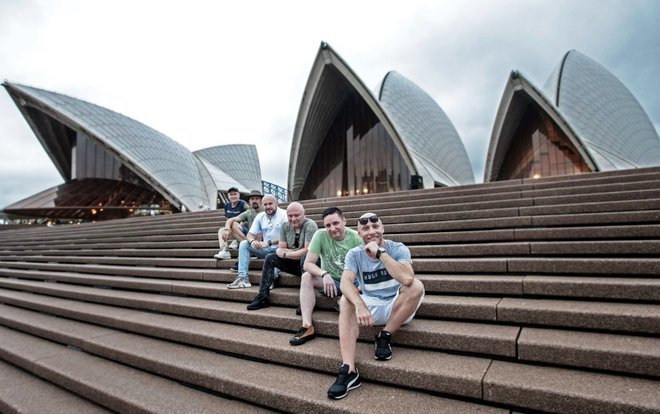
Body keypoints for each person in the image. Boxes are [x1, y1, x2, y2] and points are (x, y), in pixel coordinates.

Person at [327, 212, 425, 400]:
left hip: (398, 308)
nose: (371, 231)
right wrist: (359, 304)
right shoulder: (354, 254)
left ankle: (385, 335)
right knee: (346, 299)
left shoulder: (398, 248)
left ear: (382, 228)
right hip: (372, 306)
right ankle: (349, 370)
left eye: (375, 227)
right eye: (365, 228)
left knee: (416, 286)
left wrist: (380, 253)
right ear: (358, 233)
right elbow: (346, 283)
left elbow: (407, 278)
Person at [289, 207, 363, 346]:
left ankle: (344, 300)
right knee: (306, 277)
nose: (332, 228)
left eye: (336, 223)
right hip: (332, 281)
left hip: (353, 283)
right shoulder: (320, 235)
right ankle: (307, 326)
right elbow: (308, 264)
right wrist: (324, 274)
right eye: (328, 225)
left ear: (344, 221)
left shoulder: (356, 238)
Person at [246, 202, 318, 310]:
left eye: (297, 215)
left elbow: (307, 251)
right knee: (270, 258)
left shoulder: (310, 225)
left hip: (311, 265)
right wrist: (294, 251)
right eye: (290, 216)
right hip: (295, 263)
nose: (293, 219)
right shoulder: (285, 226)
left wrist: (287, 253)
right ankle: (263, 296)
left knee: (305, 256)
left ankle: (306, 301)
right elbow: (281, 249)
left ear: (304, 214)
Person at [227, 194, 287, 289]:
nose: (268, 207)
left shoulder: (285, 215)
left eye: (270, 204)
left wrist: (269, 243)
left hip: (281, 250)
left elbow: (288, 238)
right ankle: (243, 278)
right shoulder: (260, 216)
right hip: (266, 249)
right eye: (265, 204)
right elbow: (250, 234)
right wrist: (252, 241)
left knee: (272, 276)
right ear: (262, 205)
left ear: (277, 203)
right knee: (244, 244)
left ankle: (273, 277)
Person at [215, 190, 263, 260]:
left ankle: (252, 250)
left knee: (259, 230)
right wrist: (227, 230)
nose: (254, 201)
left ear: (261, 200)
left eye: (257, 199)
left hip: (262, 238)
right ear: (249, 201)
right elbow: (230, 220)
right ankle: (225, 250)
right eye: (252, 199)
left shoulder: (266, 210)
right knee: (230, 226)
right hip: (250, 237)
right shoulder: (248, 212)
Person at [214, 187, 249, 260]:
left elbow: (249, 218)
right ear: (228, 196)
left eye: (235, 194)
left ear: (239, 195)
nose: (233, 196)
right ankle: (225, 250)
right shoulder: (227, 206)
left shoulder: (243, 204)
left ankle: (237, 241)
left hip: (243, 228)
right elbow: (227, 219)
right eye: (231, 194)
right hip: (232, 228)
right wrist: (227, 230)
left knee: (235, 223)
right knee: (221, 230)